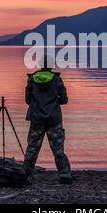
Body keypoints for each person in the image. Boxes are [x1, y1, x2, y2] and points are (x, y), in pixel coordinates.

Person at [22, 55, 72, 184]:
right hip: (54, 118)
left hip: (36, 118)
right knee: (58, 148)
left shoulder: (32, 80)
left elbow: (27, 100)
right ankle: (65, 175)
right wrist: (54, 103)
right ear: (51, 65)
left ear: (39, 65)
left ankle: (26, 175)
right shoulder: (57, 80)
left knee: (32, 147)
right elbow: (64, 100)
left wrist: (38, 103)